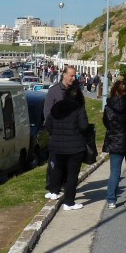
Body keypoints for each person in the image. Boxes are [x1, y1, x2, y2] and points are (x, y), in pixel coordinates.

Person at [46, 80, 89, 211]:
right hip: (75, 146)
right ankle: (69, 202)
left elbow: (48, 125)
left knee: (57, 169)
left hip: (57, 145)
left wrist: (56, 134)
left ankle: (54, 191)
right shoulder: (79, 108)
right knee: (72, 175)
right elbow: (84, 126)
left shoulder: (57, 106)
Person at [102, 79, 126, 209]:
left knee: (115, 172)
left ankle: (111, 200)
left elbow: (106, 123)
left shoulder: (109, 106)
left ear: (114, 90)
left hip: (115, 140)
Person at [43, 64, 78, 200]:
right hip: (57, 134)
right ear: (64, 75)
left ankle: (65, 185)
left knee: (68, 163)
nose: (74, 78)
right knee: (54, 162)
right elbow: (47, 112)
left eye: (74, 75)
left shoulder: (75, 91)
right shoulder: (54, 91)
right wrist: (52, 130)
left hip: (71, 134)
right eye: (71, 75)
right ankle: (53, 186)